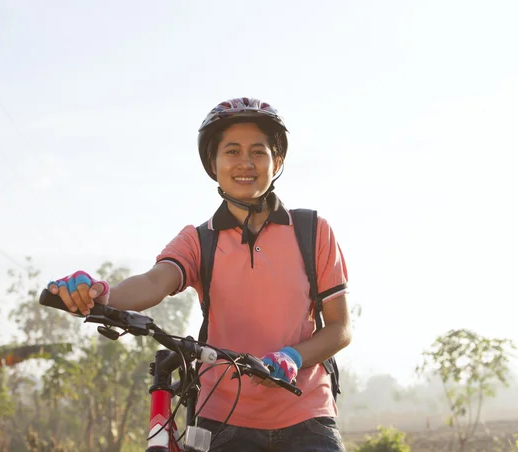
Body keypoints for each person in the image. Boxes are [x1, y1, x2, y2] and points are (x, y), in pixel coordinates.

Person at [47, 97, 352, 451]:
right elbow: (153, 282)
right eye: (232, 151)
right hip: (222, 416)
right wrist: (100, 294)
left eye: (258, 152)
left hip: (306, 414)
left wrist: (293, 357)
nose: (245, 163)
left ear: (277, 161)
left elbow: (340, 328)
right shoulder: (199, 240)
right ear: (213, 162)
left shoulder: (313, 230)